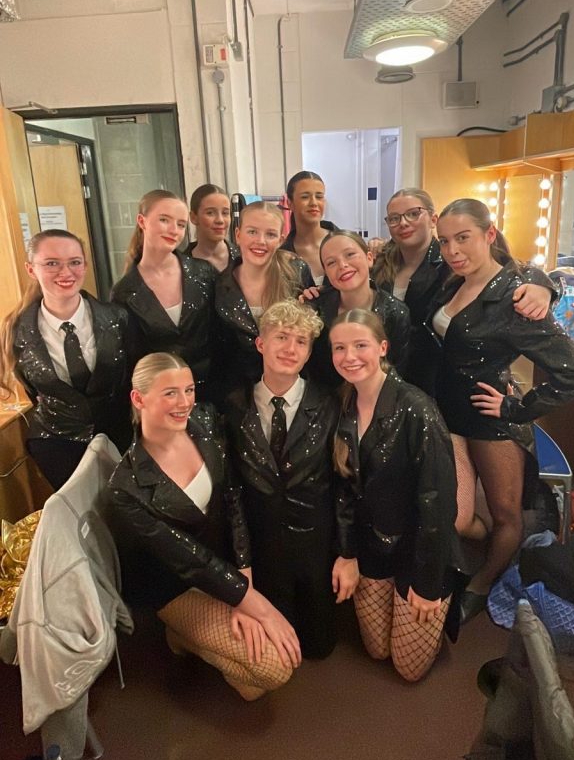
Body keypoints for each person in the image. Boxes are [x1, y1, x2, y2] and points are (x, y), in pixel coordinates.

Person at [108, 352, 301, 701]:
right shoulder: (126, 487)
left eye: (189, 390)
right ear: (138, 398)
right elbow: (188, 559)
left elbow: (233, 501)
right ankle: (177, 633)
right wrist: (255, 604)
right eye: (170, 393)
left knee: (253, 686)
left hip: (222, 563)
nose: (184, 403)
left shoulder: (206, 423)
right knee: (273, 669)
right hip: (175, 584)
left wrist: (245, 580)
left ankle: (189, 639)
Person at [432, 198, 574, 623]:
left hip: (491, 421)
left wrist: (515, 407)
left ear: (489, 235)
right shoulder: (452, 279)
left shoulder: (517, 298)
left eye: (463, 238)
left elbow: (570, 372)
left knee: (505, 514)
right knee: (457, 516)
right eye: (445, 242)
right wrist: (543, 278)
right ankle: (496, 547)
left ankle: (483, 581)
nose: (453, 250)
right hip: (449, 414)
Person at [329, 309, 459, 682]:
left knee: (407, 668)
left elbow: (438, 505)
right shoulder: (343, 406)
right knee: (376, 650)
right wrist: (347, 553)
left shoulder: (418, 410)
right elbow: (344, 491)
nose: (349, 356)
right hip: (372, 544)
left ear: (382, 347)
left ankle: (444, 604)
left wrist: (427, 583)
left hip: (418, 549)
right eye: (340, 348)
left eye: (360, 345)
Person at [226, 300, 357, 659]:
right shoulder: (234, 408)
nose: (290, 348)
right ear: (260, 344)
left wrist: (348, 553)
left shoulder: (330, 405)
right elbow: (232, 491)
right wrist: (242, 563)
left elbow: (345, 485)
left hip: (316, 546)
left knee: (318, 648)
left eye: (301, 341)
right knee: (268, 650)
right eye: (281, 337)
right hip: (262, 545)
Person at [373, 188, 554, 395]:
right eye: (394, 218)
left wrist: (542, 285)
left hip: (440, 380)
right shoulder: (382, 261)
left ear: (433, 219)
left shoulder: (454, 260)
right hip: (393, 372)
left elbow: (505, 268)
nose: (403, 223)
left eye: (414, 213)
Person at [0, 229, 131, 490]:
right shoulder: (14, 330)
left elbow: (131, 376)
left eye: (74, 262)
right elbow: (32, 388)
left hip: (120, 434)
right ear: (30, 269)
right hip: (56, 441)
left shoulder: (117, 318)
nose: (66, 272)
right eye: (51, 263)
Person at [111, 189, 215, 400]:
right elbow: (132, 360)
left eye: (181, 224)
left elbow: (220, 336)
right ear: (142, 221)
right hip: (161, 400)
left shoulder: (203, 272)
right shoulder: (124, 291)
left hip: (212, 393)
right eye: (164, 220)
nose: (174, 230)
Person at [214, 201, 313, 392]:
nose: (260, 241)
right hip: (238, 393)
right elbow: (219, 351)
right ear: (238, 235)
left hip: (292, 388)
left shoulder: (297, 273)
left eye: (270, 234)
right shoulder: (219, 285)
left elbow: (310, 333)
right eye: (252, 232)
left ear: (281, 239)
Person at [303, 230, 411, 388]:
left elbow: (396, 376)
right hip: (322, 405)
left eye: (350, 254)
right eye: (331, 262)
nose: (342, 265)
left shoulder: (395, 313)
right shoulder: (315, 307)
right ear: (326, 272)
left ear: (369, 258)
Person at [281, 171, 337, 286]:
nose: (314, 203)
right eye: (305, 197)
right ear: (290, 203)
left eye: (319, 197)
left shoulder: (347, 243)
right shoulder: (282, 255)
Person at [187, 182, 239, 272]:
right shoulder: (181, 265)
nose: (220, 220)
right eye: (210, 213)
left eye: (225, 213)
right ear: (193, 217)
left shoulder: (243, 258)